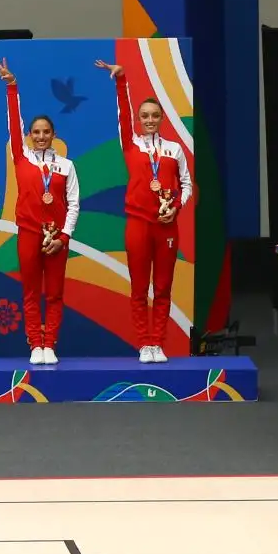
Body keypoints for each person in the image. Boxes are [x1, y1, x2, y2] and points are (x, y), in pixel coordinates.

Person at [97, 59, 193, 363]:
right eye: (144, 116)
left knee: (163, 287)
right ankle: (143, 344)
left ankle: (158, 343)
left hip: (166, 226)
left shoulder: (174, 149)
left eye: (154, 116)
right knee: (140, 287)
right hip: (137, 224)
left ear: (162, 118)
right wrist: (121, 80)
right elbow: (122, 115)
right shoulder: (131, 144)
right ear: (139, 120)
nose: (149, 120)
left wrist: (175, 209)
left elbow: (187, 185)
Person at [0, 59, 80, 365]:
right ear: (30, 135)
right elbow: (13, 124)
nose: (41, 136)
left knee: (55, 294)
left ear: (53, 134)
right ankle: (35, 344)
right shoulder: (22, 158)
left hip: (57, 238)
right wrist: (11, 86)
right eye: (36, 132)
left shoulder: (66, 166)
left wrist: (64, 236)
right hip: (29, 234)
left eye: (46, 131)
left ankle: (50, 343)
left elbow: (74, 204)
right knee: (31, 292)